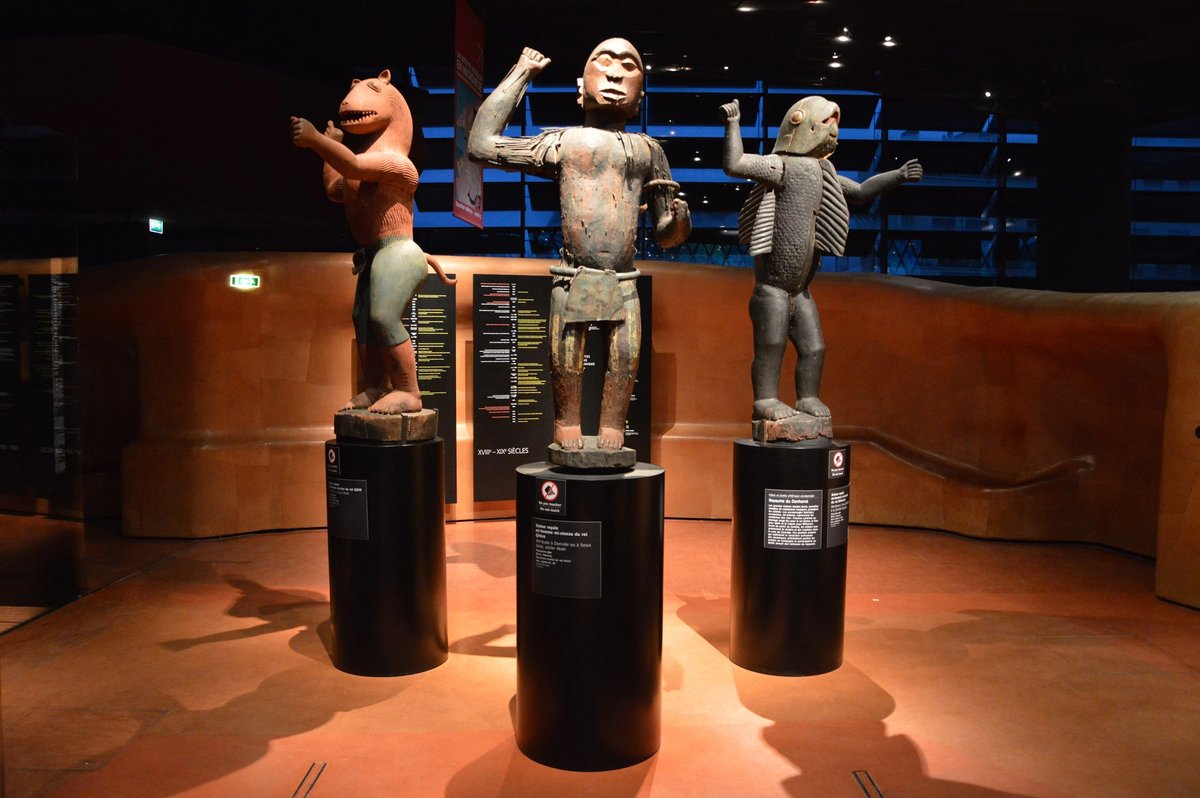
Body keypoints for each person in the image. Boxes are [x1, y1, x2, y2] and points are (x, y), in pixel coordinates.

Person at [469, 41, 690, 453]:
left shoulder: (648, 151)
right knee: (565, 358)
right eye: (602, 62)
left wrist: (678, 219)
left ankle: (612, 423)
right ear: (579, 87)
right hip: (573, 277)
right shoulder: (562, 142)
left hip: (623, 280)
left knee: (625, 360)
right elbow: (481, 145)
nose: (614, 73)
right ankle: (566, 421)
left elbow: (665, 235)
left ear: (640, 94)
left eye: (629, 66)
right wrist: (522, 73)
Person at [720, 96, 922, 431]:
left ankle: (807, 397)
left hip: (800, 290)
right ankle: (765, 399)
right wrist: (733, 123)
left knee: (814, 347)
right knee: (771, 345)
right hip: (772, 288)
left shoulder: (824, 173)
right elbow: (736, 163)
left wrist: (897, 176)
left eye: (836, 128)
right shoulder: (780, 166)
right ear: (804, 126)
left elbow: (859, 191)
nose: (834, 134)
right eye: (828, 126)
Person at [291, 69, 454, 415]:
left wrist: (320, 141)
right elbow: (336, 189)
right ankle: (376, 387)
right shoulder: (364, 167)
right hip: (373, 255)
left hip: (397, 250)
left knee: (382, 317)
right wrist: (328, 147)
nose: (353, 100)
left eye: (370, 90)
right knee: (363, 318)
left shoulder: (398, 163)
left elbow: (350, 165)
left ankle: (410, 391)